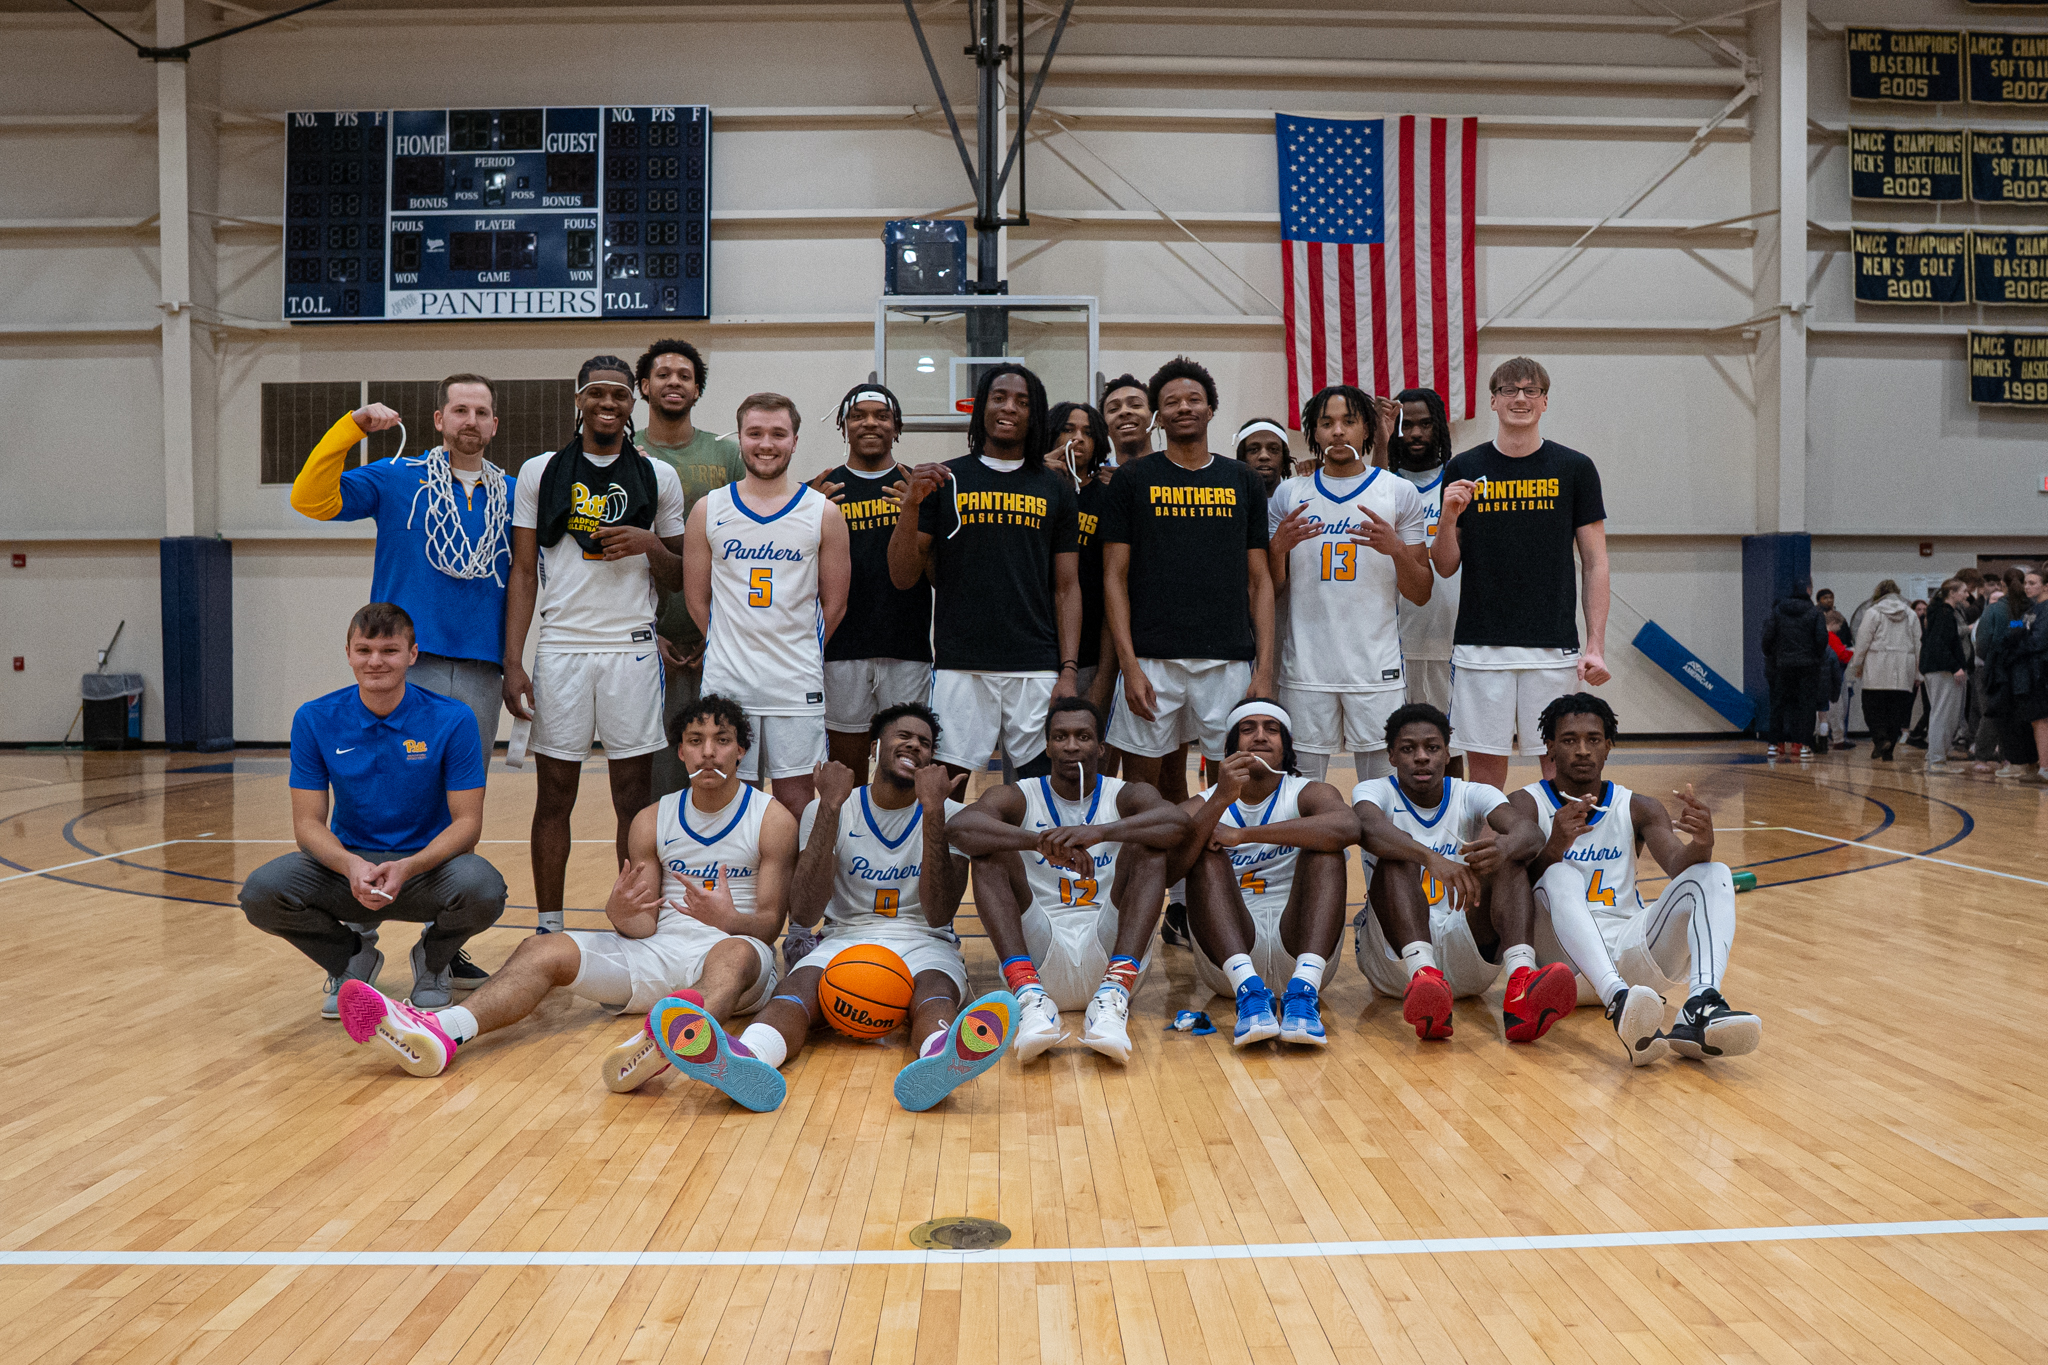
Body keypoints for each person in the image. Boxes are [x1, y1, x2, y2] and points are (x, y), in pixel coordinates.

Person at [337, 696, 798, 1102]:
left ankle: (685, 1041)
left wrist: (729, 919)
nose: (709, 751)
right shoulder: (652, 819)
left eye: (722, 740)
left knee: (734, 954)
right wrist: (620, 915)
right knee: (543, 949)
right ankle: (443, 1031)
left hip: (736, 959)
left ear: (741, 750)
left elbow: (771, 925)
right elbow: (643, 927)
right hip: (662, 952)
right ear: (680, 751)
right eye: (696, 740)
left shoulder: (770, 818)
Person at [709, 703, 1018, 1113]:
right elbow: (803, 910)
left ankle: (941, 1060)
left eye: (925, 744)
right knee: (797, 990)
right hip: (844, 937)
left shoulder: (951, 814)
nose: (914, 746)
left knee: (934, 989)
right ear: (875, 748)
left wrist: (933, 813)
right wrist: (831, 809)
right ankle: (746, 1060)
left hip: (924, 940)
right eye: (903, 737)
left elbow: (939, 912)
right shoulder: (829, 807)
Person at [240, 604, 505, 1016]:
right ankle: (351, 959)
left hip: (425, 872)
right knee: (261, 891)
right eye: (364, 650)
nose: (375, 661)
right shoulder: (314, 718)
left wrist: (409, 867)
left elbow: (468, 823)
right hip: (349, 873)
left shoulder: (453, 718)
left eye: (389, 650)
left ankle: (433, 962)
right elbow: (307, 824)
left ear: (412, 655)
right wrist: (349, 866)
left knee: (485, 888)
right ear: (347, 653)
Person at [504, 355, 689, 933]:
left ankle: (633, 923)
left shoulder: (658, 476)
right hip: (561, 645)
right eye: (596, 394)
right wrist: (514, 659)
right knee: (554, 793)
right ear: (579, 400)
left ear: (633, 402)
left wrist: (647, 544)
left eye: (618, 394)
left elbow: (681, 573)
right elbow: (524, 571)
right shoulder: (540, 471)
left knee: (631, 797)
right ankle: (549, 926)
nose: (607, 404)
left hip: (630, 645)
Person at [1515, 693, 1759, 1064]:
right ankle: (1618, 1001)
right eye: (1569, 740)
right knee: (1560, 875)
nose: (1582, 750)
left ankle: (1701, 1004)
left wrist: (1702, 843)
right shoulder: (1525, 803)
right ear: (1549, 747)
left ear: (1609, 746)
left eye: (1593, 740)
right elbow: (1511, 888)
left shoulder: (1638, 807)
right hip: (1562, 965)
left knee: (1714, 873)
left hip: (1630, 957)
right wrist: (1554, 847)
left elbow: (1681, 866)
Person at [948, 698, 1191, 1063]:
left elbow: (1178, 825)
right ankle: (1029, 999)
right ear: (1047, 746)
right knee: (989, 850)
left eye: (1083, 736)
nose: (1072, 745)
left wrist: (1098, 832)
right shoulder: (1021, 795)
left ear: (1101, 747)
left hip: (1110, 951)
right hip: (1038, 955)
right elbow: (959, 828)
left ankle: (1112, 1000)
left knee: (1149, 846)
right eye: (1060, 736)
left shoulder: (1124, 794)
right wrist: (1040, 842)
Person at [288, 377, 513, 761]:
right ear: (440, 419)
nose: (471, 420)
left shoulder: (514, 491)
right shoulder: (397, 477)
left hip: (482, 667)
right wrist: (351, 428)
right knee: (399, 780)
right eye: (460, 411)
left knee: (466, 789)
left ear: (494, 424)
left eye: (481, 412)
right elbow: (310, 501)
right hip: (407, 661)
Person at [889, 364, 1081, 779]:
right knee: (946, 788)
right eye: (999, 397)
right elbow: (903, 577)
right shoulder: (946, 479)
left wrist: (1068, 670)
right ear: (981, 408)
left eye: (1022, 401)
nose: (1009, 407)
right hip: (962, 663)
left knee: (1043, 789)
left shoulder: (1055, 487)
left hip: (1035, 664)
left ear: (1037, 414)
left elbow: (1067, 587)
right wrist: (911, 507)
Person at [1429, 358, 1610, 791]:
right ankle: (1490, 859)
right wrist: (1449, 516)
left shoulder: (1575, 468)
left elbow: (1596, 561)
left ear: (1545, 401)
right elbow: (1444, 563)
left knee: (1559, 768)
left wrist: (1596, 644)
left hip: (1552, 647)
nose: (1520, 399)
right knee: (1486, 776)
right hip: (1480, 646)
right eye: (1509, 390)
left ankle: (1561, 859)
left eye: (1531, 391)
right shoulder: (1463, 468)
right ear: (1493, 401)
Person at [1351, 704, 1579, 1044]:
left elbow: (1530, 834)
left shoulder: (1472, 793)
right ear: (1392, 756)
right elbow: (1367, 827)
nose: (1422, 757)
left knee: (1508, 856)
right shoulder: (1374, 791)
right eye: (1408, 748)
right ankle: (1423, 974)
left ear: (1447, 753)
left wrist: (1503, 848)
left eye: (1432, 747)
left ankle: (1520, 982)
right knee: (1397, 855)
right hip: (1395, 963)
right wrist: (1431, 858)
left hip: (1466, 948)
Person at [1101, 356, 1276, 792]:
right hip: (1151, 659)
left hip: (1228, 659)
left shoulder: (1242, 479)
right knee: (1145, 787)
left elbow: (1260, 580)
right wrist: (1129, 665)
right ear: (1158, 417)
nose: (1184, 407)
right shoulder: (1132, 479)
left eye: (1194, 399)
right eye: (1172, 402)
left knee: (1232, 786)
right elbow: (1113, 577)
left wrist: (1264, 669)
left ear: (1211, 409)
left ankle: (1222, 861)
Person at [688, 392, 850, 813]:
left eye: (778, 434)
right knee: (726, 800)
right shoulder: (709, 509)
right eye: (755, 433)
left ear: (795, 441)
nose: (766, 444)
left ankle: (790, 884)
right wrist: (730, 645)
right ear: (739, 438)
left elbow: (834, 605)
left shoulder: (823, 513)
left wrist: (797, 650)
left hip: (795, 684)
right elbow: (696, 599)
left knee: (796, 802)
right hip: (729, 681)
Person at [1266, 384, 1430, 784]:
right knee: (1301, 791)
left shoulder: (1398, 492)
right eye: (1327, 423)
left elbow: (1421, 591)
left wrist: (1396, 550)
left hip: (1376, 669)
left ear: (1367, 430)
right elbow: (1269, 590)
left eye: (1348, 421)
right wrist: (1277, 549)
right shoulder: (1290, 493)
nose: (1338, 431)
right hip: (1305, 668)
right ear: (1314, 433)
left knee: (1380, 792)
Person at [1168, 700, 1357, 1047]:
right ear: (1229, 749)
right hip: (1229, 957)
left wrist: (1244, 835)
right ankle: (1249, 994)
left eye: (1271, 729)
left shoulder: (1309, 793)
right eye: (1247, 729)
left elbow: (1348, 826)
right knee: (1203, 853)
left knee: (1326, 849)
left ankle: (1303, 993)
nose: (1259, 736)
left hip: (1301, 948)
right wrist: (1221, 800)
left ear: (1286, 748)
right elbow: (1169, 870)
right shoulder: (1204, 801)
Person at [633, 339, 745, 798]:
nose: (674, 381)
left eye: (685, 375)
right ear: (643, 387)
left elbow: (745, 551)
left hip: (718, 640)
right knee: (653, 782)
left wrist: (716, 628)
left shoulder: (727, 456)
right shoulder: (624, 455)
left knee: (718, 776)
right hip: (643, 641)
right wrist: (641, 631)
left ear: (698, 390)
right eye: (663, 374)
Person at [1391, 388, 1464, 754]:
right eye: (1406, 425)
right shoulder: (1382, 484)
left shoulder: (1459, 484)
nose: (1415, 433)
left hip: (1449, 640)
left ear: (1439, 429)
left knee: (1447, 750)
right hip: (1392, 644)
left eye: (1424, 424)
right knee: (1396, 751)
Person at [1048, 400, 1115, 708]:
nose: (1077, 438)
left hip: (1089, 654)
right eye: (1068, 429)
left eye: (1087, 432)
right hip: (1032, 653)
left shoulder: (1107, 497)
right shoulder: (1031, 488)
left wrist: (1104, 673)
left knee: (1085, 751)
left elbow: (1114, 588)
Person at [1848, 579, 1920, 762]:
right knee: (1896, 711)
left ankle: (1880, 740)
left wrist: (1857, 665)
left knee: (1871, 707)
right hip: (1904, 667)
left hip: (1877, 666)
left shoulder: (1873, 612)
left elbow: (1862, 641)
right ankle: (1888, 750)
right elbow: (1918, 643)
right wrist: (1918, 672)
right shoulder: (1911, 614)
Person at [1759, 578, 1828, 761]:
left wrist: (1773, 656)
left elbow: (1767, 638)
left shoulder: (1778, 611)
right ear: (1808, 590)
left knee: (1779, 705)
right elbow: (1822, 640)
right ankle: (1801, 745)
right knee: (1805, 706)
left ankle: (1776, 744)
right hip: (1808, 667)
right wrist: (1815, 657)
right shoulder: (1815, 613)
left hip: (1783, 665)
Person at [1971, 568, 2030, 771]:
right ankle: (2012, 759)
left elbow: (1982, 644)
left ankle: (1983, 757)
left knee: (1993, 713)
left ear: (2003, 585)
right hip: (2023, 667)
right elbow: (2022, 627)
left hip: (1995, 669)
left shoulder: (1995, 610)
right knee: (2017, 715)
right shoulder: (2029, 608)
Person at [1918, 579, 1972, 772]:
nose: (1967, 595)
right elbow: (1940, 644)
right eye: (1964, 591)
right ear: (1952, 592)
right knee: (1942, 715)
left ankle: (1935, 757)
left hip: (1934, 669)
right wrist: (1955, 666)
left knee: (1938, 714)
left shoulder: (1938, 612)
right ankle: (1937, 760)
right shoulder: (1945, 614)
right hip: (1943, 670)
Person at [1101, 372, 1154, 478]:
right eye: (1113, 409)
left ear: (1156, 418)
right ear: (1103, 426)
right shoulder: (1094, 477)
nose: (1124, 411)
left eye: (1135, 405)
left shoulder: (1175, 471)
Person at [1233, 418, 1292, 496]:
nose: (1264, 456)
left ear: (1284, 457)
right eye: (1254, 449)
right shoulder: (1229, 501)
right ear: (1242, 456)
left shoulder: (1299, 496)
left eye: (1273, 449)